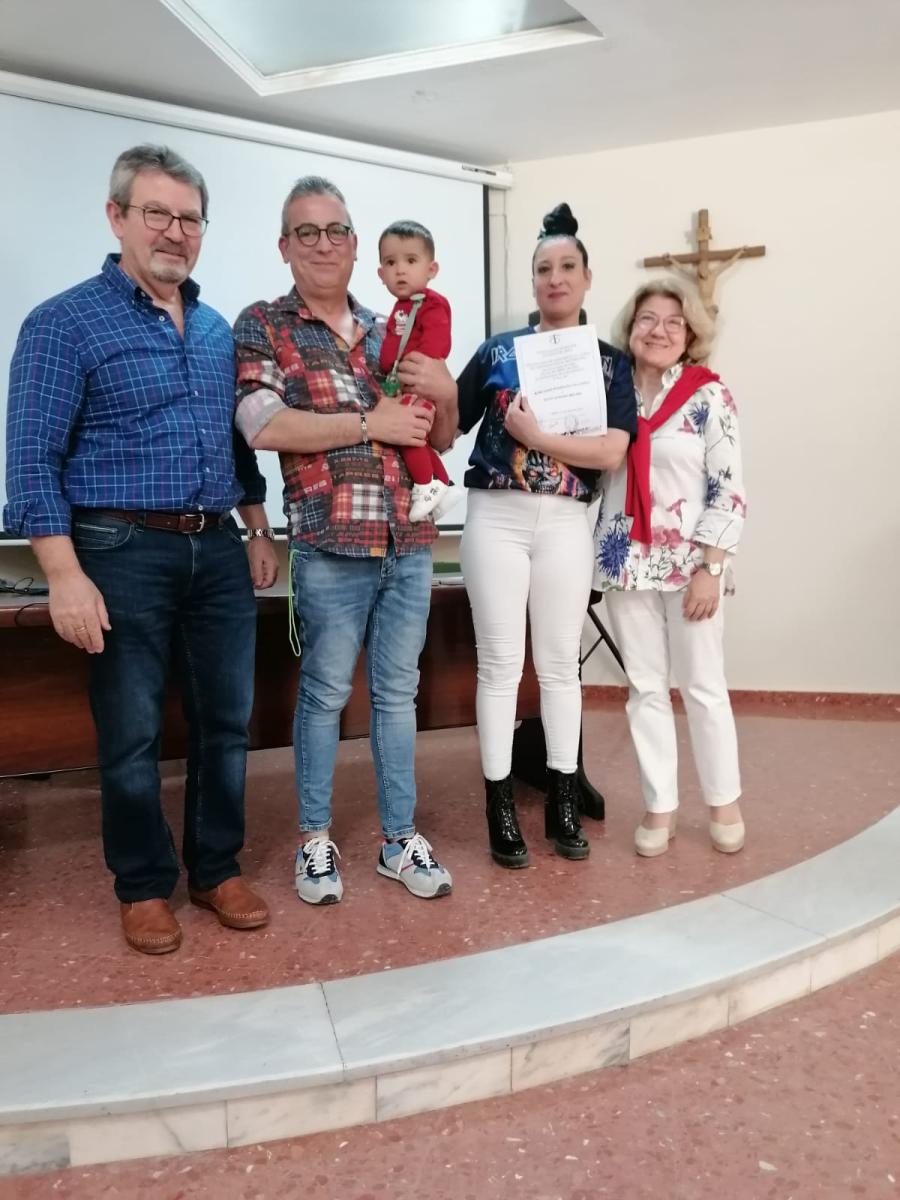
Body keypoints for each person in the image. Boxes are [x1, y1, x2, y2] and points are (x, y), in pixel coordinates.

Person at [4, 144, 278, 954]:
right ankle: (144, 885)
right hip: (118, 548)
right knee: (130, 732)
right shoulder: (62, 323)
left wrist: (258, 528)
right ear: (116, 216)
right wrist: (62, 575)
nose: (175, 231)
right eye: (157, 213)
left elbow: (236, 445)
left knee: (226, 721)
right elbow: (30, 460)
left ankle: (216, 868)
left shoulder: (218, 329)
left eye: (190, 218)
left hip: (217, 548)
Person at [233, 176, 456, 906]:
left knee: (398, 694)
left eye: (336, 231)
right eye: (307, 232)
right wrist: (369, 423)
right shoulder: (264, 324)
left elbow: (439, 436)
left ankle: (399, 840)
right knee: (326, 694)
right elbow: (262, 424)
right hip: (331, 544)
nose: (323, 244)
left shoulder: (393, 325)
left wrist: (447, 392)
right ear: (285, 246)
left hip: (409, 539)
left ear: (357, 244)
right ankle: (315, 839)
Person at [453, 203, 637, 868]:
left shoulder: (611, 364)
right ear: (532, 281)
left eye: (566, 267)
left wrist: (537, 437)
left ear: (587, 277)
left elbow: (611, 451)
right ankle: (499, 804)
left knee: (560, 666)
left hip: (564, 521)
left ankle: (563, 799)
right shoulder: (498, 351)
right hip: (496, 517)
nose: (554, 279)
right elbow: (449, 422)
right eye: (542, 269)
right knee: (500, 666)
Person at [594, 278, 746, 857]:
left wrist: (713, 566)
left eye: (672, 322)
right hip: (625, 558)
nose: (658, 331)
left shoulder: (709, 396)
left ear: (689, 335)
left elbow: (728, 488)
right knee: (644, 687)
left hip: (690, 564)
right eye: (647, 320)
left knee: (703, 685)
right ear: (630, 329)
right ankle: (660, 805)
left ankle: (723, 802)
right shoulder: (610, 395)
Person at [377, 220, 459, 522]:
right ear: (381, 274)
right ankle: (444, 485)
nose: (400, 270)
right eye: (391, 263)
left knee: (406, 435)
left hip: (418, 385)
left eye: (411, 261)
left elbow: (438, 343)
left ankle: (425, 484)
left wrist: (420, 369)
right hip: (403, 383)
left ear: (431, 269)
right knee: (418, 440)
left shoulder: (431, 303)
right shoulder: (401, 307)